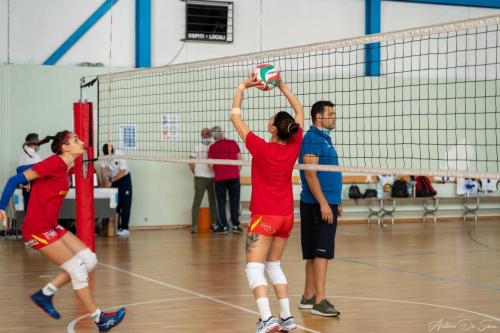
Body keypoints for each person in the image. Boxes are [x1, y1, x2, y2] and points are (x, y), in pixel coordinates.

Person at [0, 130, 126, 331]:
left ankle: (46, 293)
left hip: (51, 225)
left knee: (89, 260)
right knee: (76, 269)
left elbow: (22, 168)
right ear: (65, 147)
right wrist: (1, 207)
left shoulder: (63, 166)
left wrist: (30, 178)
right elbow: (13, 179)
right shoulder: (55, 163)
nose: (81, 142)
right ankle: (100, 318)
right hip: (37, 229)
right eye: (76, 140)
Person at [230, 75, 304, 333]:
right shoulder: (294, 145)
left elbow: (235, 118)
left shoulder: (260, 148)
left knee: (254, 268)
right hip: (286, 216)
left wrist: (242, 88)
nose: (269, 120)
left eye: (271, 119)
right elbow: (299, 111)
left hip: (265, 217)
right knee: (273, 265)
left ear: (273, 128)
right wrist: (282, 85)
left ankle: (266, 319)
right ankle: (286, 318)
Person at [298, 101, 342, 317]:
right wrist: (325, 203)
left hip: (326, 203)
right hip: (317, 205)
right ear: (318, 117)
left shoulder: (324, 138)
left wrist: (336, 201)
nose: (334, 117)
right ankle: (320, 300)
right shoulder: (313, 139)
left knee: (315, 254)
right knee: (321, 254)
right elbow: (310, 174)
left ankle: (308, 297)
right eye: (331, 114)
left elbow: (329, 173)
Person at [207, 126, 243, 234]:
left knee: (221, 203)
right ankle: (236, 226)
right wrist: (235, 172)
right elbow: (240, 161)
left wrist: (219, 168)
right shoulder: (233, 143)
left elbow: (210, 165)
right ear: (222, 133)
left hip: (220, 179)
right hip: (234, 177)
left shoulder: (212, 147)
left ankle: (224, 227)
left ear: (213, 137)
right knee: (234, 202)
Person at [188, 128, 218, 233]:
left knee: (213, 201)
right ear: (201, 135)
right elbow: (190, 161)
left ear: (210, 135)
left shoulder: (213, 146)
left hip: (213, 177)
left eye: (207, 134)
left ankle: (214, 224)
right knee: (197, 201)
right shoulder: (197, 146)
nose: (205, 135)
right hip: (200, 177)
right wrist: (196, 172)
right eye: (204, 134)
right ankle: (194, 226)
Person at [100, 143, 132, 237]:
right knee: (115, 204)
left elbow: (122, 173)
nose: (108, 157)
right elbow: (103, 170)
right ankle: (115, 228)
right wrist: (103, 183)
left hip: (124, 179)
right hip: (112, 178)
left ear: (113, 151)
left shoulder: (120, 155)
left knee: (125, 204)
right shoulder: (103, 156)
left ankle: (125, 228)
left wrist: (110, 180)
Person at [17, 133, 44, 213]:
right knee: (34, 210)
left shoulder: (22, 155)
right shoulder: (35, 156)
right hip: (34, 185)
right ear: (34, 143)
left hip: (25, 185)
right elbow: (40, 172)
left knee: (27, 209)